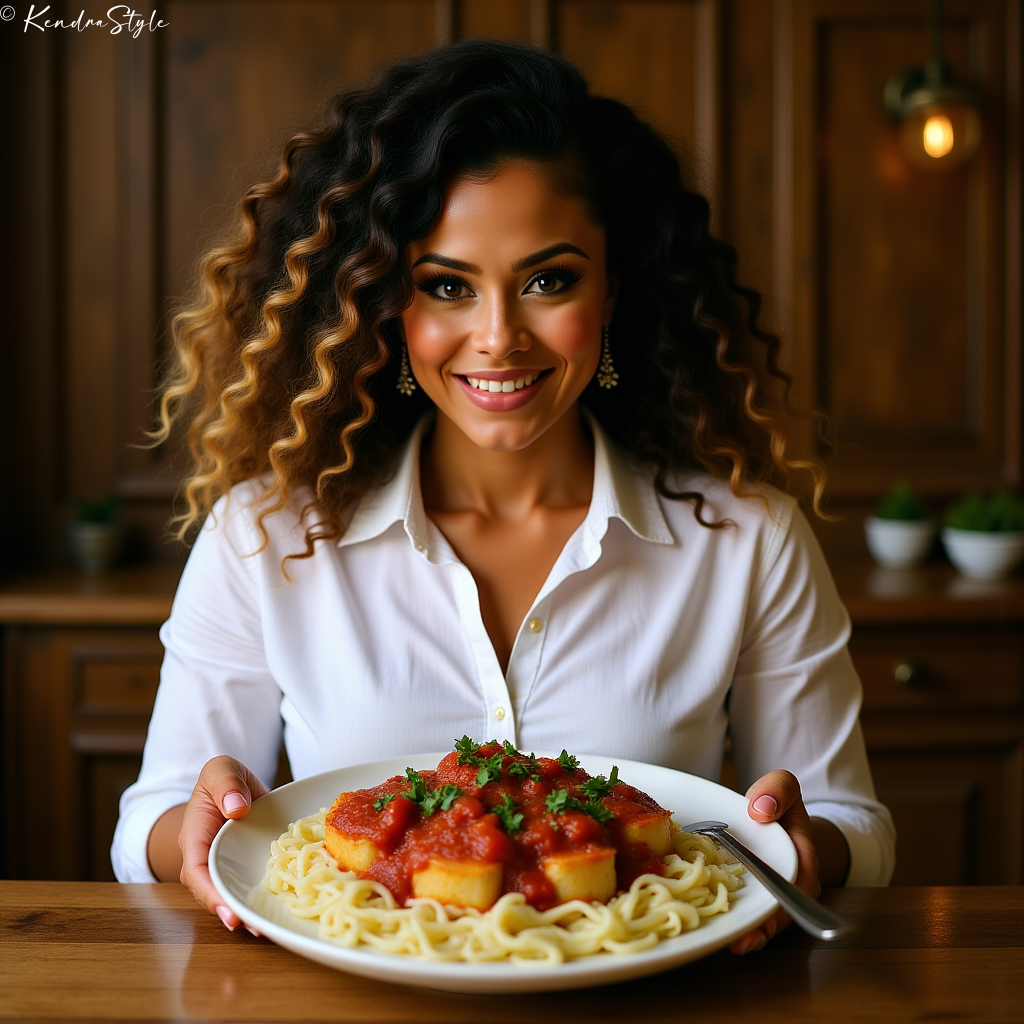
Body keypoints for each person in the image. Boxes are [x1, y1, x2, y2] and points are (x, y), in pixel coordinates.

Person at [112, 39, 895, 955]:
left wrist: (809, 846)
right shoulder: (264, 533)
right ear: (384, 308)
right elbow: (153, 822)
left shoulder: (749, 536)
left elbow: (855, 825)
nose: (497, 337)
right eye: (446, 286)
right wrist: (193, 828)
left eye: (548, 280)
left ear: (614, 290)